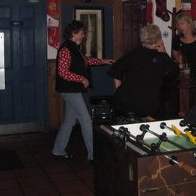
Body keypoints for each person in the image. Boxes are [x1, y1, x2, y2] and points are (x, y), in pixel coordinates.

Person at [52, 21, 114, 160]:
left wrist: (103, 61)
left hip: (72, 90)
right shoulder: (66, 49)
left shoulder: (74, 47)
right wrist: (81, 79)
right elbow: (62, 72)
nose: (84, 35)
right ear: (74, 34)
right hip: (70, 90)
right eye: (82, 32)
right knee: (86, 120)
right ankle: (93, 155)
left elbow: (85, 61)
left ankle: (58, 150)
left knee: (69, 121)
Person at [107, 25, 179, 118]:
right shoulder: (161, 57)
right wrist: (164, 52)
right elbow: (174, 73)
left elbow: (115, 70)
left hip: (124, 102)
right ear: (158, 40)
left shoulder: (133, 54)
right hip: (147, 106)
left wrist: (119, 90)